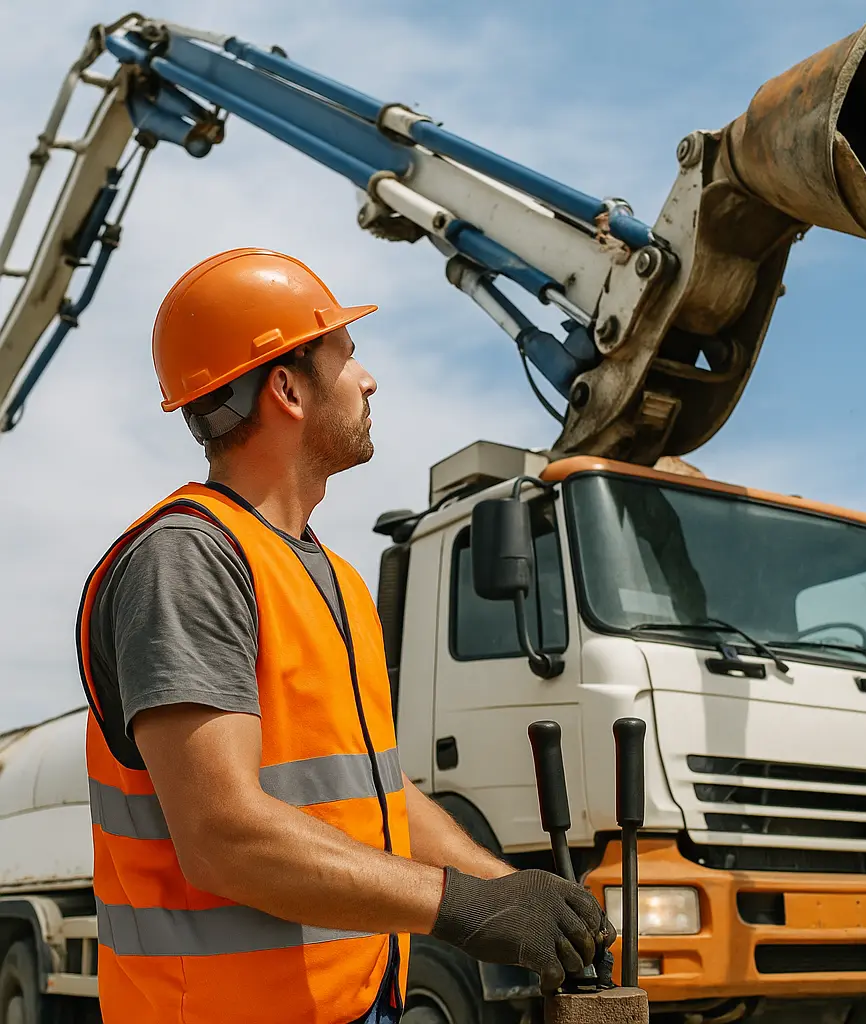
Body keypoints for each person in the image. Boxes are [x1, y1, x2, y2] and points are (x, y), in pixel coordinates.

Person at [77, 248, 614, 1024]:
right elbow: (223, 834)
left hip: (357, 1001)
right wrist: (462, 907)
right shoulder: (187, 560)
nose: (368, 380)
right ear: (288, 388)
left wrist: (508, 891)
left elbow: (373, 797)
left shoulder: (333, 576)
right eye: (347, 355)